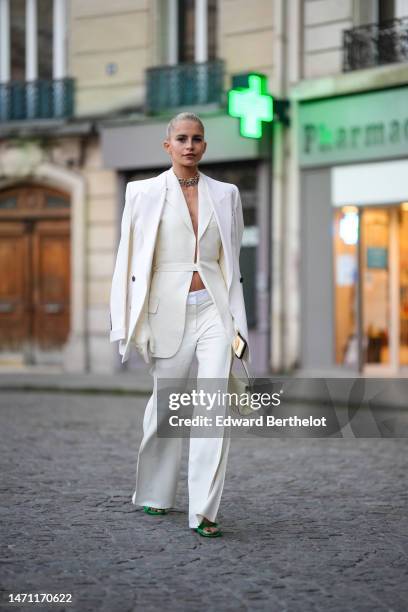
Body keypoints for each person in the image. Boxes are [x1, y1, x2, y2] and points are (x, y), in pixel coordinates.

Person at [109, 112, 250, 537]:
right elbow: (129, 262)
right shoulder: (142, 192)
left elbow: (232, 259)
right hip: (164, 310)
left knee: (214, 408)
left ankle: (204, 510)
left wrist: (236, 324)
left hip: (213, 308)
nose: (190, 145)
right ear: (167, 145)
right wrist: (131, 325)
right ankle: (155, 492)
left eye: (198, 139)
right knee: (166, 408)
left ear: (205, 146)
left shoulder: (226, 194)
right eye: (182, 138)